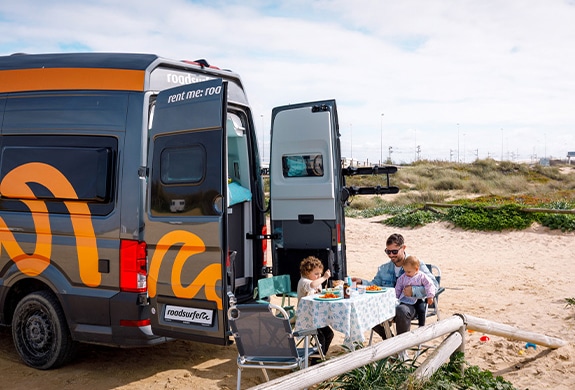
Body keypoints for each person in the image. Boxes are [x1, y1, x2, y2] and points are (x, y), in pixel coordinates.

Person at [352, 233, 438, 340]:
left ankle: (401, 346)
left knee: (401, 310)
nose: (391, 255)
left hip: (411, 304)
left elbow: (434, 285)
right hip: (388, 304)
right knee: (365, 308)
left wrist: (414, 291)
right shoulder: (384, 268)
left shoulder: (415, 264)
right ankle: (389, 339)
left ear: (403, 248)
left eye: (394, 251)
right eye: (388, 252)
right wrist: (361, 282)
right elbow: (375, 285)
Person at [297, 256, 334, 360]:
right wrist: (324, 278)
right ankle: (316, 361)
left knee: (329, 334)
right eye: (316, 274)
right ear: (307, 272)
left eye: (320, 274)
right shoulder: (304, 281)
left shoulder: (315, 281)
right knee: (320, 337)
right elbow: (312, 285)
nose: (318, 276)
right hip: (307, 318)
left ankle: (321, 356)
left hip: (316, 315)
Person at [395, 255, 436, 327]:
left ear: (416, 269)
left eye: (409, 272)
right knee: (399, 309)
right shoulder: (403, 277)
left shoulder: (422, 276)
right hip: (405, 299)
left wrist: (430, 296)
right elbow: (398, 287)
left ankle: (421, 325)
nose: (406, 273)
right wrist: (396, 297)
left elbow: (429, 285)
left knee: (421, 310)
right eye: (405, 271)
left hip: (417, 299)